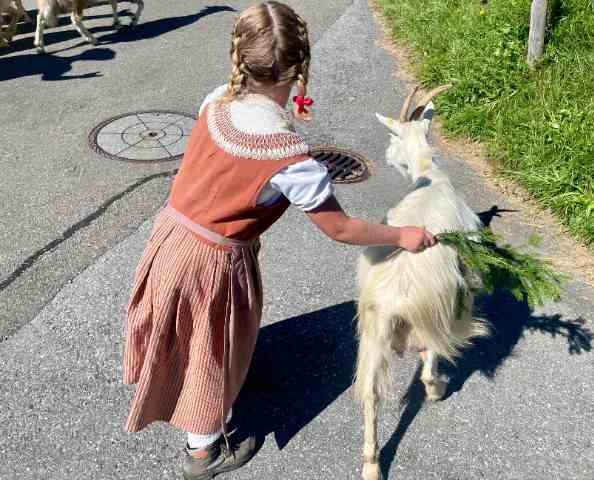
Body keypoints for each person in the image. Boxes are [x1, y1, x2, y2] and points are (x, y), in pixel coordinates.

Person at [121, 2, 436, 479]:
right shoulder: (287, 155)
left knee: (189, 329)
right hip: (214, 260)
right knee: (209, 343)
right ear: (299, 69)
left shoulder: (217, 100)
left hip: (173, 235)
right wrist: (402, 235)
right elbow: (339, 228)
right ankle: (204, 449)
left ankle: (207, 392)